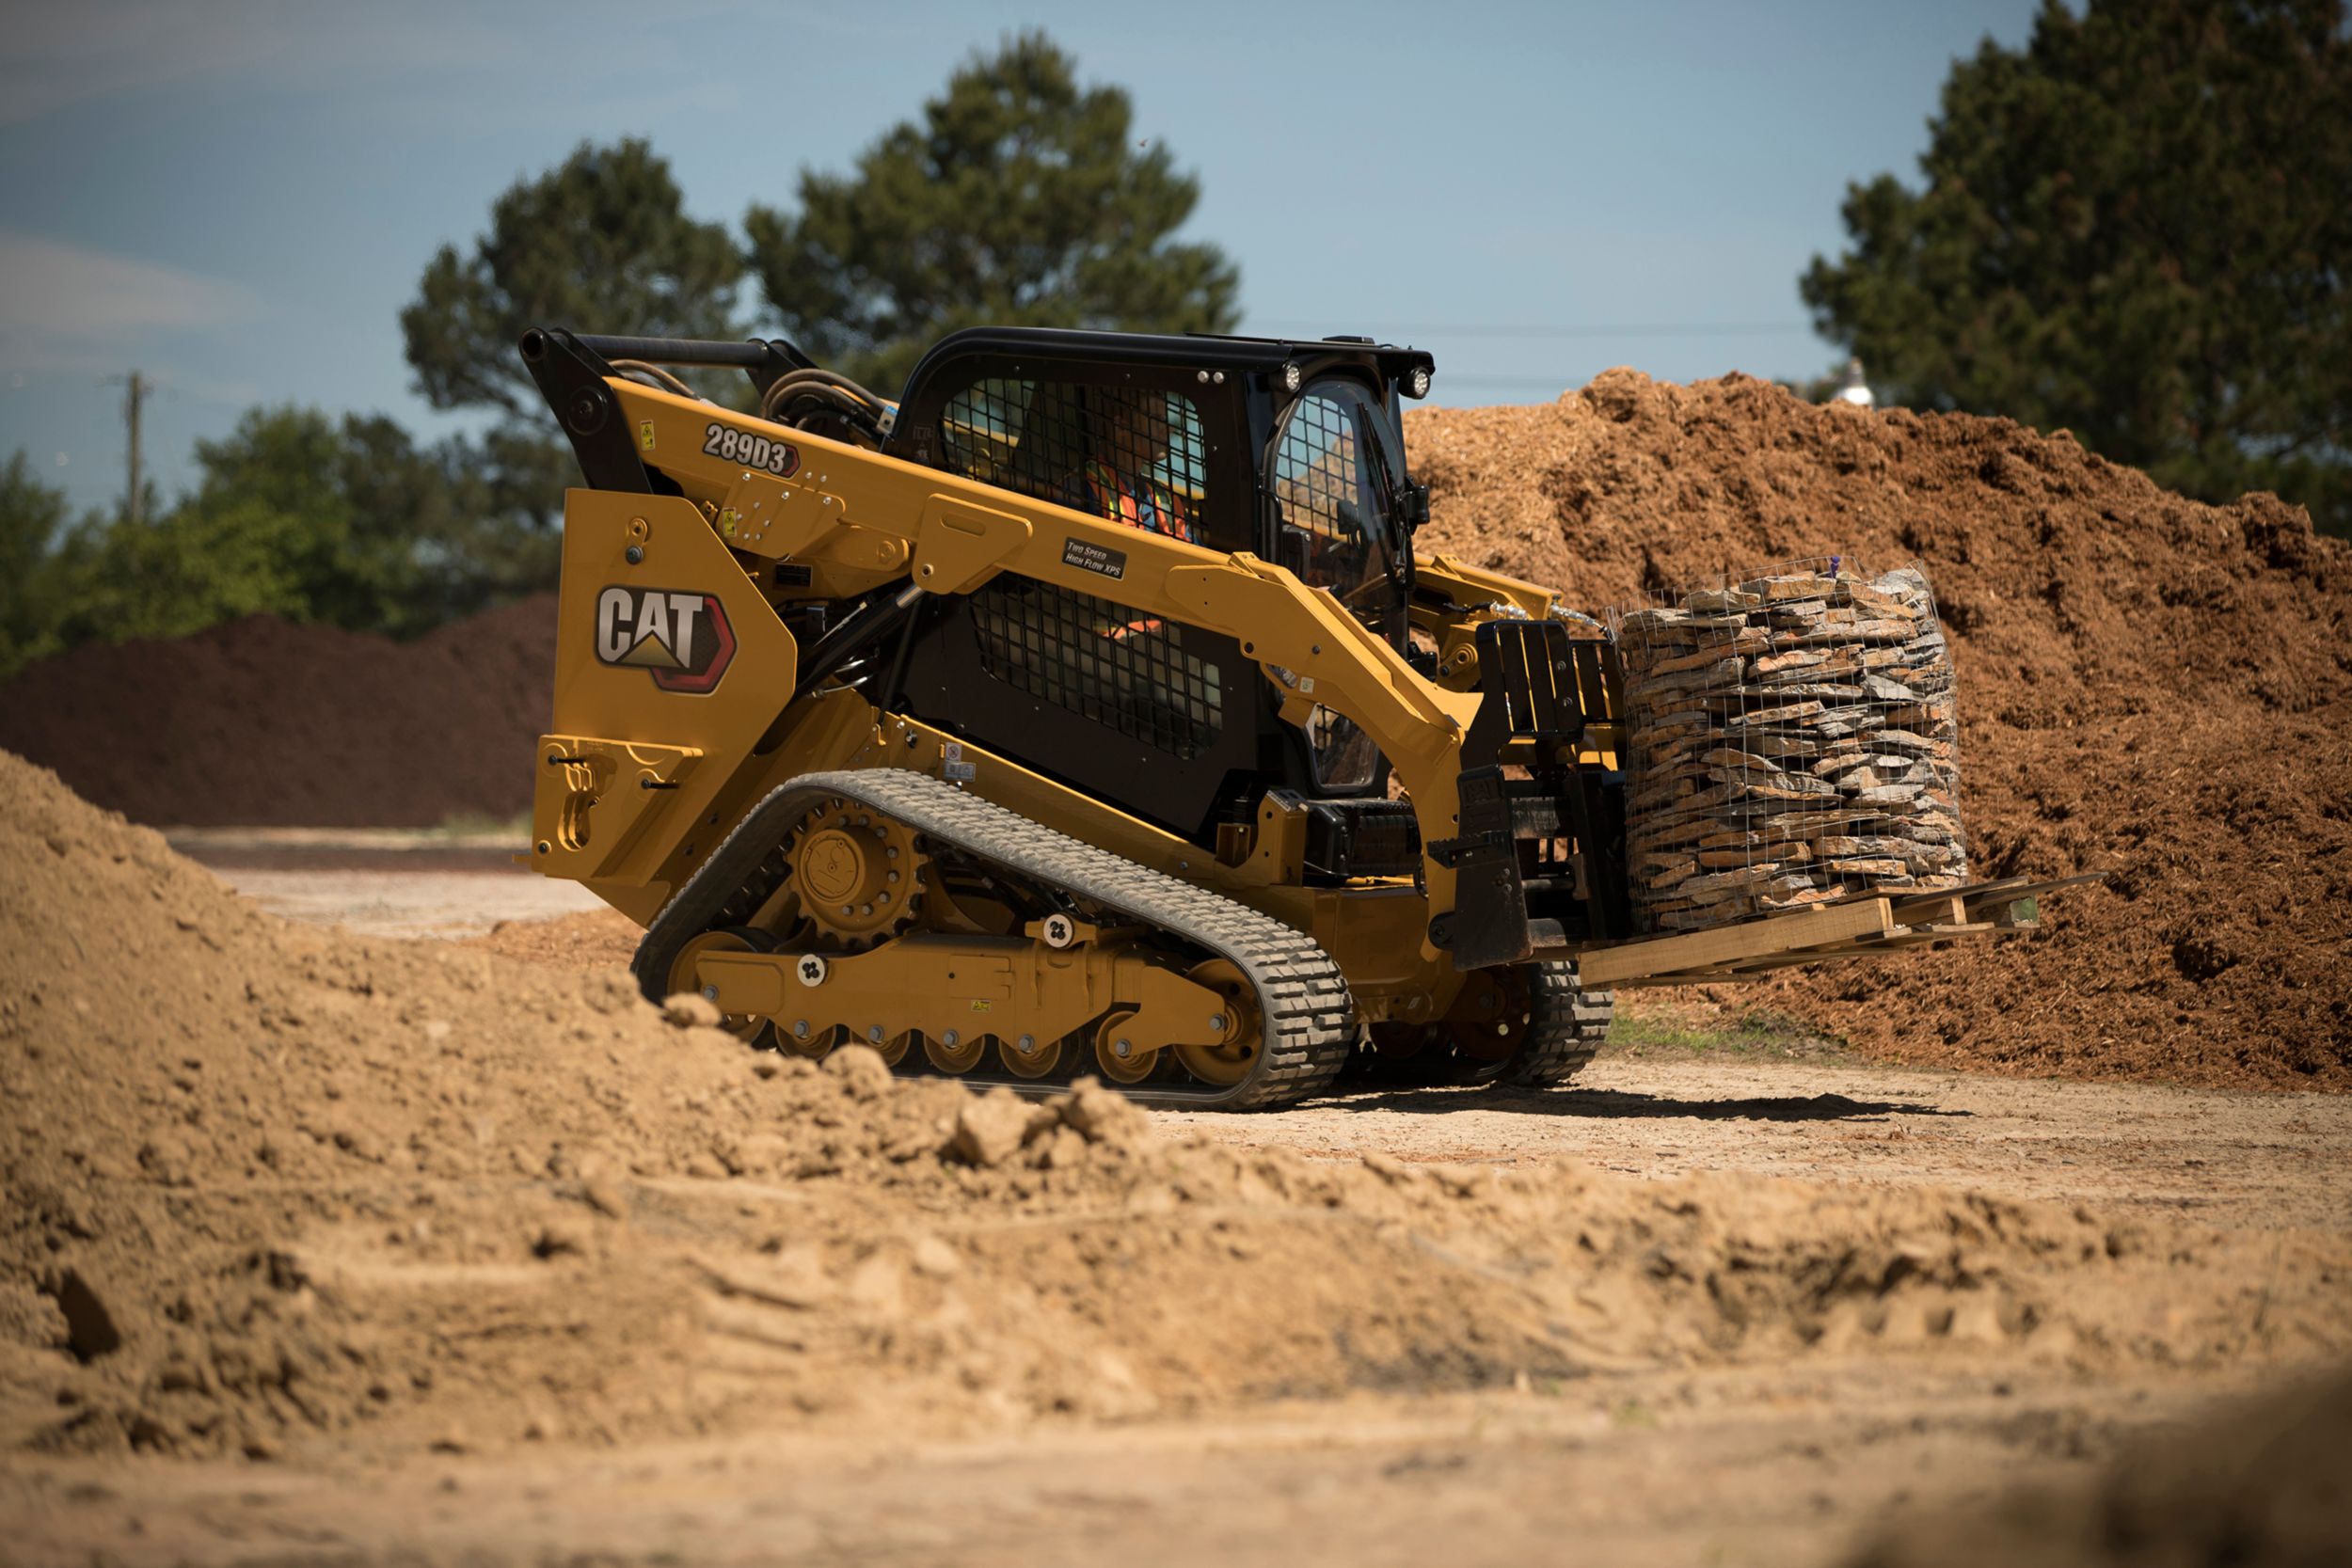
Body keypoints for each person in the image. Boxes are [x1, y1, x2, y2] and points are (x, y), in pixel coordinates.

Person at [1059, 388, 1198, 545]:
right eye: (1157, 419)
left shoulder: (1167, 499)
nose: (1167, 429)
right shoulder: (1083, 487)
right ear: (1122, 427)